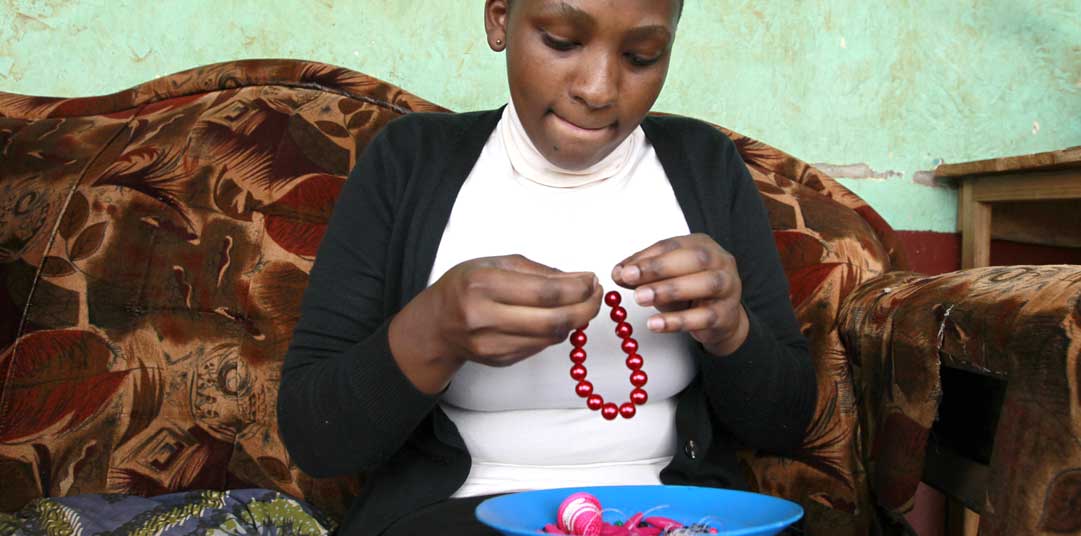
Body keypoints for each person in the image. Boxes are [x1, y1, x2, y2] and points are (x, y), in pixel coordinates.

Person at [277, 0, 817, 534]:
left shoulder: (706, 166)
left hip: (669, 517)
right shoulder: (408, 161)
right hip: (459, 516)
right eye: (561, 41)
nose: (599, 89)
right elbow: (315, 439)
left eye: (641, 56)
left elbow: (784, 423)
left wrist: (732, 331)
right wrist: (435, 331)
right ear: (499, 18)